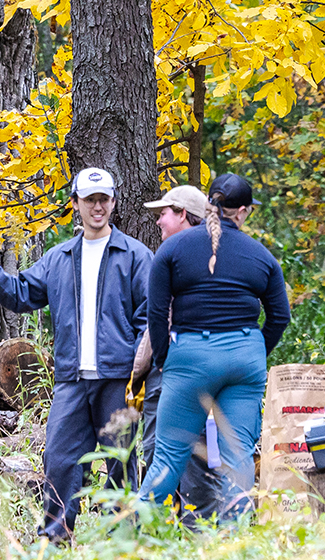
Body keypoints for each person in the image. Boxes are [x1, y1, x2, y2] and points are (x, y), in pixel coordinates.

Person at [0, 167, 154, 543]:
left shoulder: (135, 256)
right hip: (71, 380)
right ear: (76, 205)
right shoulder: (59, 258)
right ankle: (55, 538)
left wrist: (139, 363)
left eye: (104, 199)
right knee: (60, 460)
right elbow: (22, 294)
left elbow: (148, 315)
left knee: (121, 460)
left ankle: (120, 539)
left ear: (114, 202)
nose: (97, 207)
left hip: (118, 378)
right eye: (90, 200)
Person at [141, 173, 290, 522]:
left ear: (209, 205)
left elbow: (157, 310)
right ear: (243, 211)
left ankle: (130, 537)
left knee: (168, 456)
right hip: (244, 357)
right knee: (237, 458)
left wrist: (165, 358)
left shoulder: (173, 249)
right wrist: (252, 351)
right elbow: (280, 316)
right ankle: (232, 545)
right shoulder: (262, 256)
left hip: (190, 356)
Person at [132, 184, 225, 521]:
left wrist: (146, 368)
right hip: (188, 373)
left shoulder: (190, 258)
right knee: (179, 454)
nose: (158, 222)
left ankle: (183, 535)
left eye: (163, 214)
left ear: (183, 214)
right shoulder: (204, 254)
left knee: (180, 456)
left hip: (182, 372)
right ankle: (179, 534)